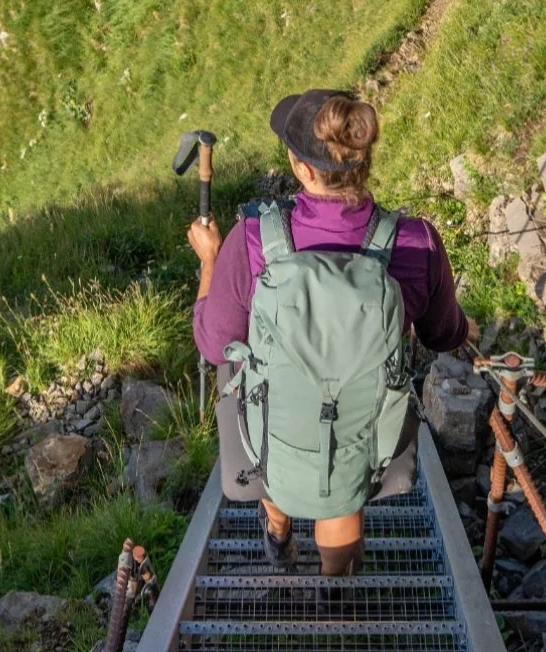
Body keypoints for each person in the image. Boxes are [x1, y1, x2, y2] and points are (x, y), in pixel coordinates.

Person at [190, 89, 479, 576]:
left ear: (302, 170)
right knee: (344, 478)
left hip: (272, 431)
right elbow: (442, 333)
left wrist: (211, 261)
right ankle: (335, 590)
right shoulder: (414, 241)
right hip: (362, 438)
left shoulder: (254, 239)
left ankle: (278, 531)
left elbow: (214, 341)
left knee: (256, 410)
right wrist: (466, 327)